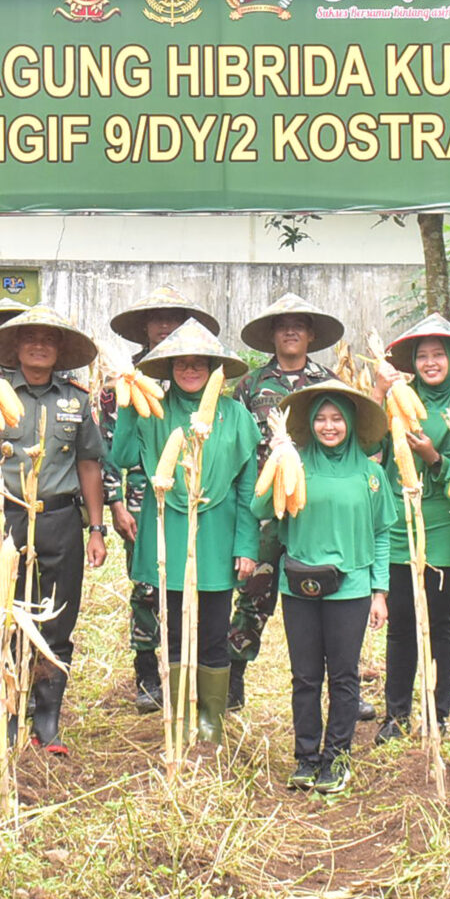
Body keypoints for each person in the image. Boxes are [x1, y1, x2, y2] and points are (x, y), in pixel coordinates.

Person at [0, 306, 108, 754]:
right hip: (7, 519)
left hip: (60, 519)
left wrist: (96, 528)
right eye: (30, 338)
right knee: (5, 616)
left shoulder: (76, 400)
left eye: (49, 339)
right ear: (17, 347)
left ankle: (47, 721)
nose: (39, 345)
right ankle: (8, 714)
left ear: (59, 351)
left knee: (58, 619)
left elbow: (88, 465)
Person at [104, 320, 259, 749]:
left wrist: (246, 544)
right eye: (181, 364)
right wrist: (128, 404)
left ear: (213, 368)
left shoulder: (238, 416)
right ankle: (178, 714)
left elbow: (247, 487)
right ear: (168, 368)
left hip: (217, 532)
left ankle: (209, 720)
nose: (190, 370)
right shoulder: (154, 409)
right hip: (166, 530)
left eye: (199, 364)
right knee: (171, 627)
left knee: (212, 628)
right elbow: (119, 457)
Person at [261, 382, 391, 792]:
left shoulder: (370, 474)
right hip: (298, 584)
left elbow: (383, 533)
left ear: (351, 424)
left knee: (344, 675)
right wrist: (278, 456)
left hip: (350, 587)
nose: (328, 426)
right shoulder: (295, 464)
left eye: (337, 419)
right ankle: (305, 757)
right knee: (305, 676)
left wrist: (379, 591)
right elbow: (260, 508)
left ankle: (337, 756)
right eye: (320, 418)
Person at [103, 290, 221, 712]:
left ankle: (199, 679)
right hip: (141, 496)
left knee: (195, 582)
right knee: (148, 588)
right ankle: (149, 674)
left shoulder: (199, 374)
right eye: (158, 320)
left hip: (192, 496)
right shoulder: (125, 379)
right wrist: (115, 503)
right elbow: (109, 450)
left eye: (174, 319)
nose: (166, 327)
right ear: (145, 328)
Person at [232, 292, 347, 712]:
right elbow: (238, 446)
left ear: (311, 334)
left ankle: (341, 686)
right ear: (272, 336)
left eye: (299, 325)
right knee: (254, 592)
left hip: (312, 509)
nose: (291, 331)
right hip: (265, 509)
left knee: (328, 593)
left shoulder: (328, 382)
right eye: (283, 326)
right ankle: (233, 676)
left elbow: (347, 439)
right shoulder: (249, 386)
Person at [376, 314, 450, 744]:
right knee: (402, 622)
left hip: (443, 524)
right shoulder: (396, 400)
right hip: (401, 524)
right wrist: (379, 391)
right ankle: (396, 713)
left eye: (439, 355)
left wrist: (434, 460)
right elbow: (372, 446)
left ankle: (438, 713)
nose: (430, 362)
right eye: (422, 356)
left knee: (439, 622)